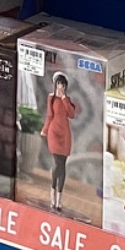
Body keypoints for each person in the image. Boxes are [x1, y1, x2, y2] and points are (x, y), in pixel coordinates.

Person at [42, 72, 76, 214]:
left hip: (65, 134)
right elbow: (49, 116)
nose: (60, 86)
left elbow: (72, 115)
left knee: (63, 165)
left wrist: (64, 98)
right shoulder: (51, 98)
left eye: (63, 84)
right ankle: (52, 194)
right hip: (54, 133)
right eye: (58, 83)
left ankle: (59, 199)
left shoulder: (66, 100)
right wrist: (45, 130)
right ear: (55, 84)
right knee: (57, 164)